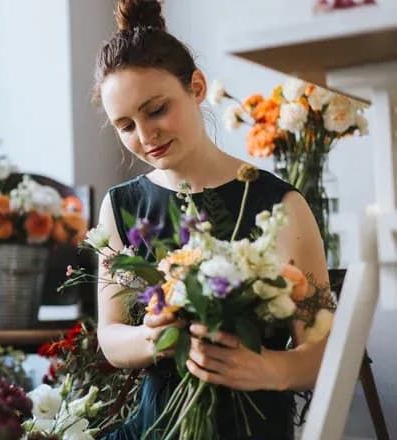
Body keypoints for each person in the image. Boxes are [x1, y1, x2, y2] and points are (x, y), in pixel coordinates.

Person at [93, 1, 334, 439]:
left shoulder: (280, 204)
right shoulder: (121, 206)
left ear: (197, 87)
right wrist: (151, 336)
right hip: (154, 428)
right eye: (125, 125)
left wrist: (266, 369)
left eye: (156, 109)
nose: (145, 137)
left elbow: (324, 351)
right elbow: (110, 337)